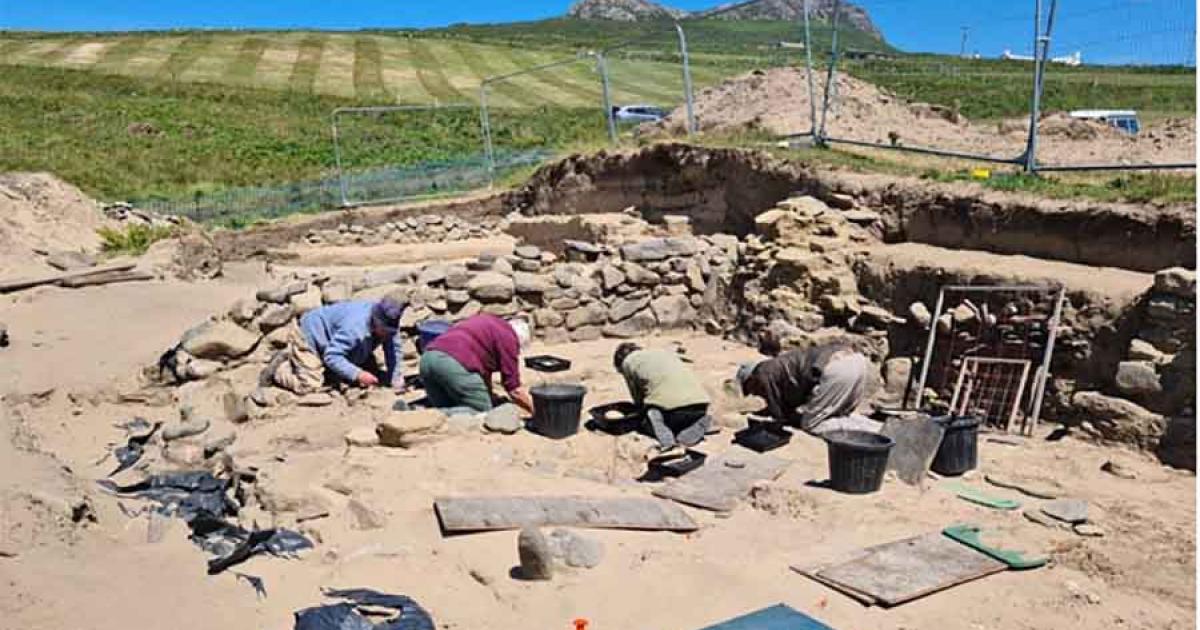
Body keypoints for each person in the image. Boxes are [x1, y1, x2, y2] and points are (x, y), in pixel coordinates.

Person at [266, 298, 406, 395]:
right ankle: (281, 369)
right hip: (310, 336)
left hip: (335, 340)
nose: (388, 334)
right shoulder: (355, 328)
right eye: (385, 331)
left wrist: (396, 377)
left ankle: (327, 369)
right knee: (310, 385)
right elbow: (331, 356)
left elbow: (394, 348)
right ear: (376, 322)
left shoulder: (389, 323)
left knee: (365, 368)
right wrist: (358, 374)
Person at [735, 343, 877, 435]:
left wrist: (776, 419)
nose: (754, 393)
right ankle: (876, 426)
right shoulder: (780, 365)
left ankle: (873, 431)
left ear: (751, 378)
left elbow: (777, 410)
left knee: (812, 424)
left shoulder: (762, 372)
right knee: (839, 414)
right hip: (856, 361)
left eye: (750, 389)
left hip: (838, 369)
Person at [418, 314, 534, 413]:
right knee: (482, 412)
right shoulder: (509, 339)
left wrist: (488, 395)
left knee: (447, 406)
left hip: (428, 358)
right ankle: (424, 416)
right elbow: (514, 389)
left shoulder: (490, 324)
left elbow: (483, 373)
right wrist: (535, 410)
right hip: (453, 363)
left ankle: (424, 412)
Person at [613, 343, 712, 452]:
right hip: (700, 404)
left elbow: (637, 398)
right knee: (683, 420)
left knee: (651, 415)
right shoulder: (662, 353)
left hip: (672, 412)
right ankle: (700, 422)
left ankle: (668, 442)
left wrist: (638, 415)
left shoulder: (627, 362)